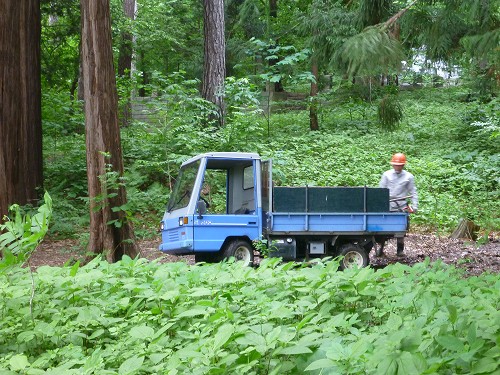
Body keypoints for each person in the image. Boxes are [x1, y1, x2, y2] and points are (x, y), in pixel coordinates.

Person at [378, 153, 418, 257]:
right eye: (396, 164)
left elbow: (413, 192)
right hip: (388, 205)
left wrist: (414, 207)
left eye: (400, 165)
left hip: (401, 206)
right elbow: (380, 191)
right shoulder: (386, 175)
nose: (398, 167)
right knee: (383, 228)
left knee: (401, 228)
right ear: (392, 164)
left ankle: (400, 250)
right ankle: (381, 249)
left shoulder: (409, 177)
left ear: (403, 165)